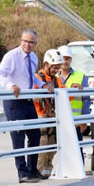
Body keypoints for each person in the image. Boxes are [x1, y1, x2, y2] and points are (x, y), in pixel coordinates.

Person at [0, 29, 51, 183]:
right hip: (14, 101)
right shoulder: (12, 56)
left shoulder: (33, 57)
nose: (27, 44)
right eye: (25, 41)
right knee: (18, 136)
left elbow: (31, 77)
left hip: (28, 100)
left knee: (35, 135)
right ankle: (22, 172)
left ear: (35, 44)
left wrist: (43, 84)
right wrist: (11, 85)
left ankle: (33, 170)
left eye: (31, 42)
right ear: (21, 41)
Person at [35, 49, 63, 177]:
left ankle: (46, 173)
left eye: (57, 68)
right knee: (42, 147)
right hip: (41, 118)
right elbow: (34, 98)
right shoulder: (38, 79)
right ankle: (38, 173)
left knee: (52, 147)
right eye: (54, 67)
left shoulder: (56, 80)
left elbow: (65, 93)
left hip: (52, 118)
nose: (56, 70)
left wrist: (73, 89)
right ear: (47, 64)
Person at [57, 44, 91, 142]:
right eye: (63, 58)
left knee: (77, 153)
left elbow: (86, 100)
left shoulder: (80, 77)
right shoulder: (53, 77)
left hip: (75, 123)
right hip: (57, 122)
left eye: (68, 58)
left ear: (71, 60)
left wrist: (84, 121)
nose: (65, 61)